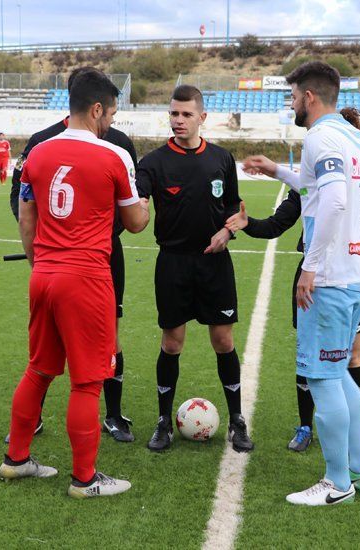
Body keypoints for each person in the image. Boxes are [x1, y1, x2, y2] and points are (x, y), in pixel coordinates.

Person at [0, 71, 150, 498]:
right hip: (86, 277)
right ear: (97, 108)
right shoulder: (113, 155)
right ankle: (84, 479)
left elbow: (26, 218)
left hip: (43, 273)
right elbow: (136, 223)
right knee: (87, 381)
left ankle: (17, 460)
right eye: (112, 113)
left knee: (40, 368)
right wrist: (146, 205)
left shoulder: (38, 153)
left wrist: (40, 262)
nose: (111, 122)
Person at [245, 61, 360, 505]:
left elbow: (336, 200)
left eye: (294, 96)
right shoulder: (354, 136)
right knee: (340, 376)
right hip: (359, 277)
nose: (292, 104)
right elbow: (315, 186)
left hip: (333, 279)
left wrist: (311, 267)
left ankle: (338, 483)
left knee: (322, 378)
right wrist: (276, 172)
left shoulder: (321, 135)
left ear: (310, 97)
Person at [229, 107, 360, 453]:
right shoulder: (314, 185)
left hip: (343, 281)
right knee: (309, 354)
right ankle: (306, 426)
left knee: (352, 356)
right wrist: (248, 223)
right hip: (318, 279)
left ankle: (345, 437)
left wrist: (351, 273)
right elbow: (277, 223)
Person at [136, 85, 253, 453]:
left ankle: (236, 420)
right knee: (172, 343)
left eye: (186, 114)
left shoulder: (221, 158)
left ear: (202, 117)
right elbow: (136, 203)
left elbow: (235, 213)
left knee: (224, 341)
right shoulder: (153, 163)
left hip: (214, 264)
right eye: (174, 114)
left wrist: (226, 232)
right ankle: (162, 423)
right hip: (172, 264)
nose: (179, 121)